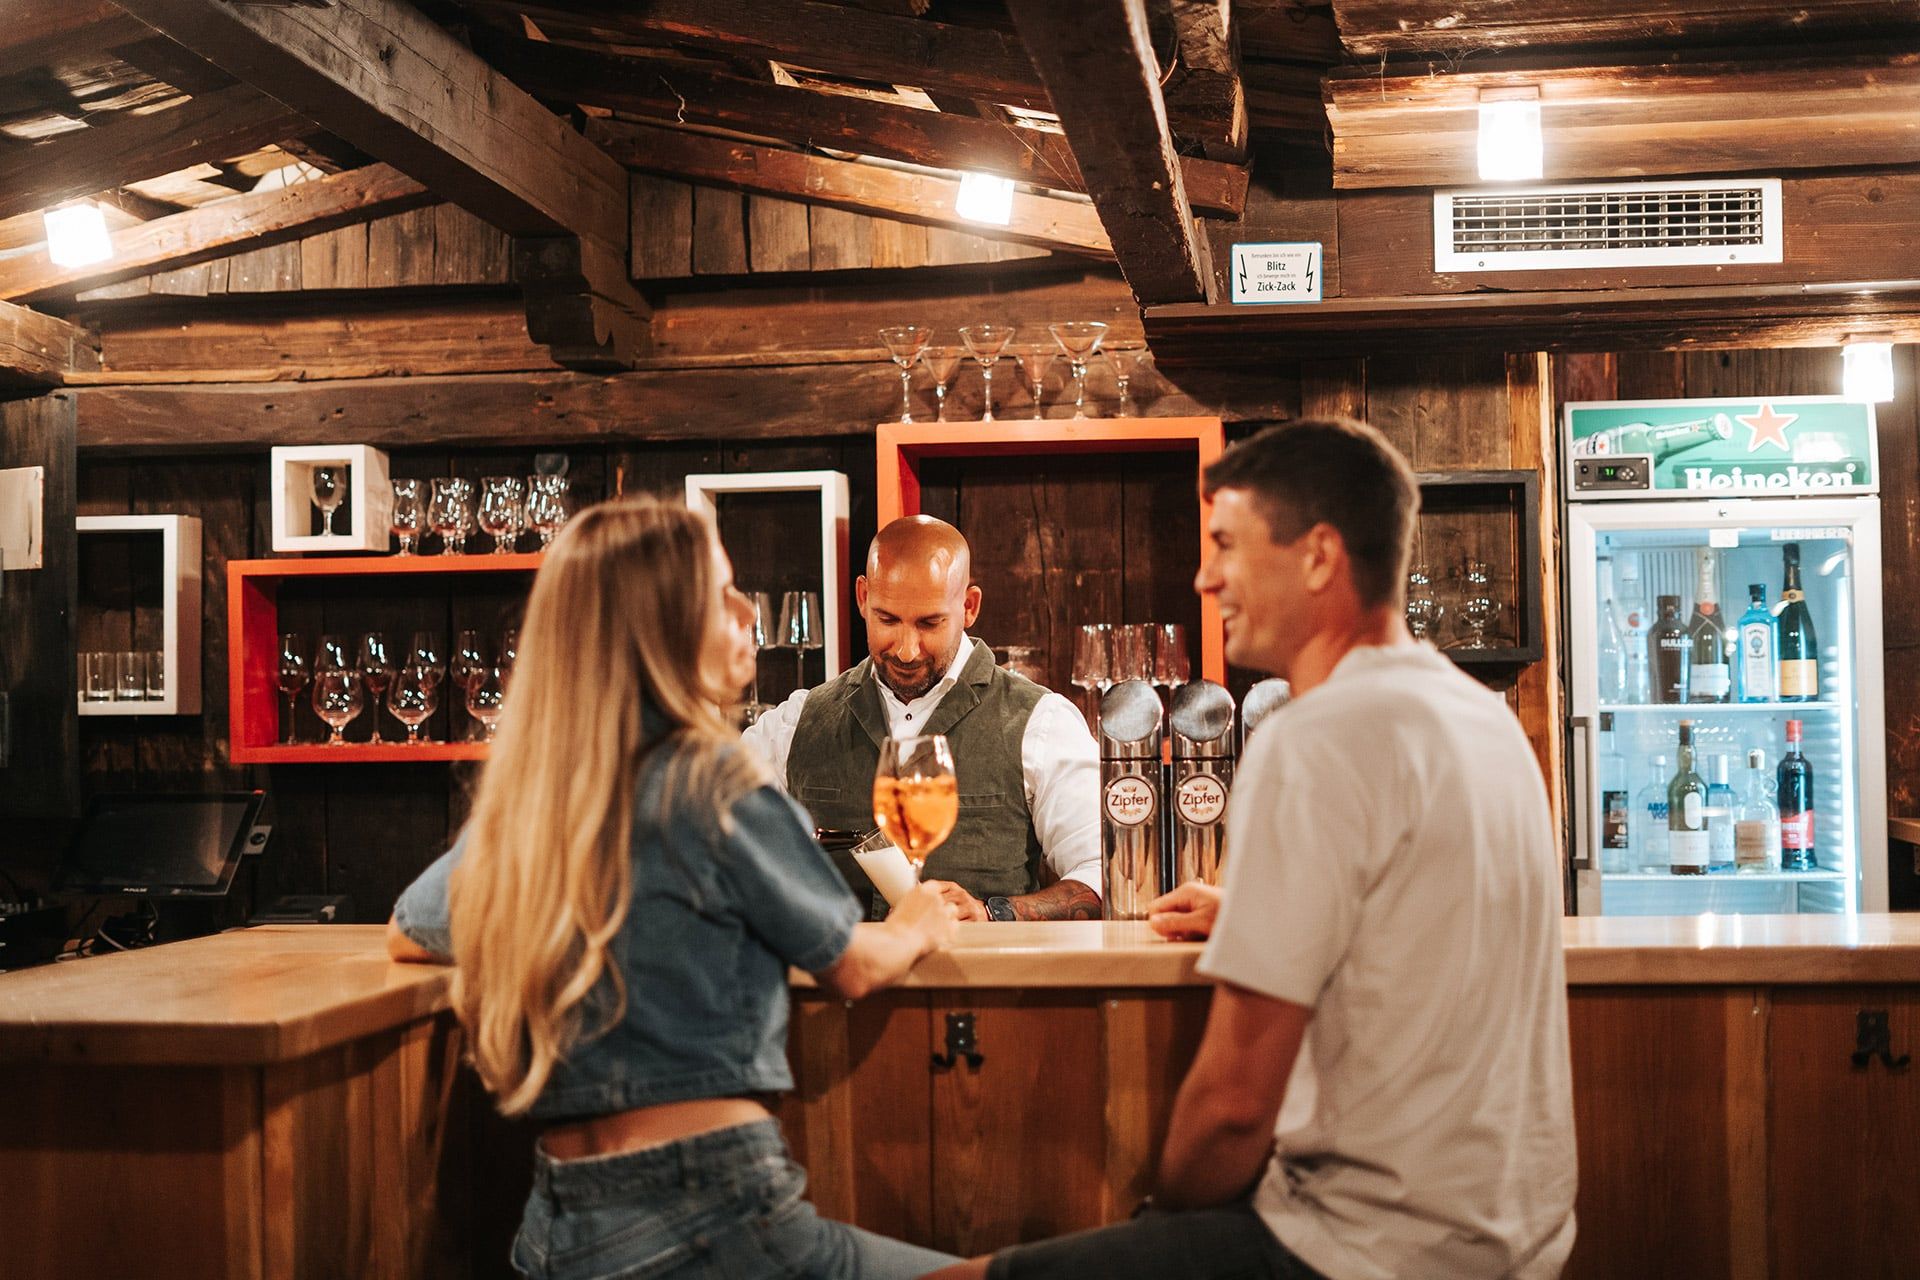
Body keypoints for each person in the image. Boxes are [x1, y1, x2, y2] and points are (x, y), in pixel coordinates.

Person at [930, 419, 1577, 1280]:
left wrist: (1158, 1215)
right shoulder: (1485, 719)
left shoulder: (1318, 737)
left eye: (1227, 544)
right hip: (1518, 1234)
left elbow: (1234, 1108)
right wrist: (1255, 908)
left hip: (1366, 1249)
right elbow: (1430, 917)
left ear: (1317, 556)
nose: (1206, 574)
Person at [385, 496, 961, 1280]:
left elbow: (408, 931)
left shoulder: (535, 802)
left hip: (556, 1227)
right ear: (662, 628)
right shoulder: (715, 780)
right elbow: (852, 965)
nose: (745, 613)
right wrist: (918, 920)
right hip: (708, 1213)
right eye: (722, 594)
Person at [744, 515, 1101, 923]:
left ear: (969, 607)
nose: (907, 650)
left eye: (929, 623)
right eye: (887, 620)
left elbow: (1102, 874)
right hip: (837, 986)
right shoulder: (796, 722)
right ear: (862, 597)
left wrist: (993, 912)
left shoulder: (1041, 723)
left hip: (984, 984)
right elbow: (710, 827)